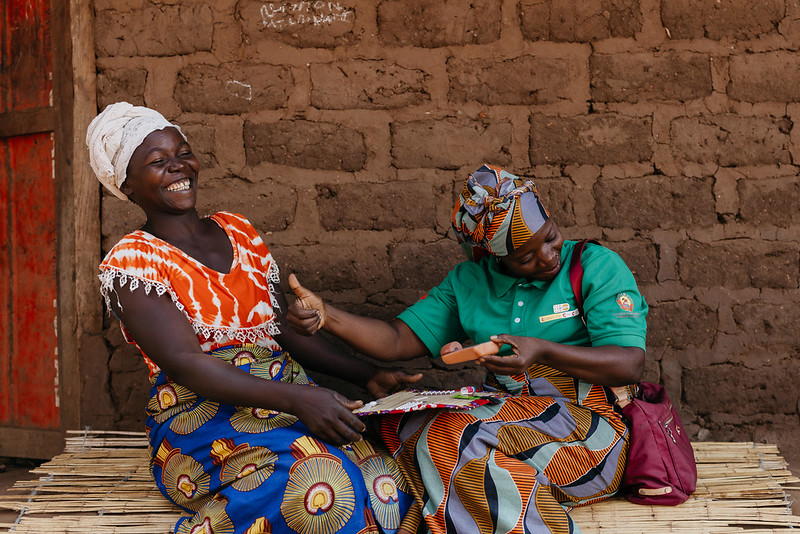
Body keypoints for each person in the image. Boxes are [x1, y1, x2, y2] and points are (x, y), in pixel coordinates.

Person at [87, 102, 424, 534]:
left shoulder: (237, 230)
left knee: (384, 478)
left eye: (182, 152)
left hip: (285, 397)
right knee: (318, 485)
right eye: (157, 161)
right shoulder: (132, 263)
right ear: (127, 186)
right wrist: (298, 400)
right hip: (199, 418)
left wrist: (368, 374)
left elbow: (281, 328)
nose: (178, 166)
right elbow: (186, 363)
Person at [288, 164, 648, 534]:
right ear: (494, 256)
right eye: (525, 257)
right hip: (510, 425)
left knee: (457, 435)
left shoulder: (593, 266)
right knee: (400, 424)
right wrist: (326, 315)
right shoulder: (469, 282)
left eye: (551, 238)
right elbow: (395, 339)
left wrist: (541, 351)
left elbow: (629, 363)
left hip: (591, 440)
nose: (547, 256)